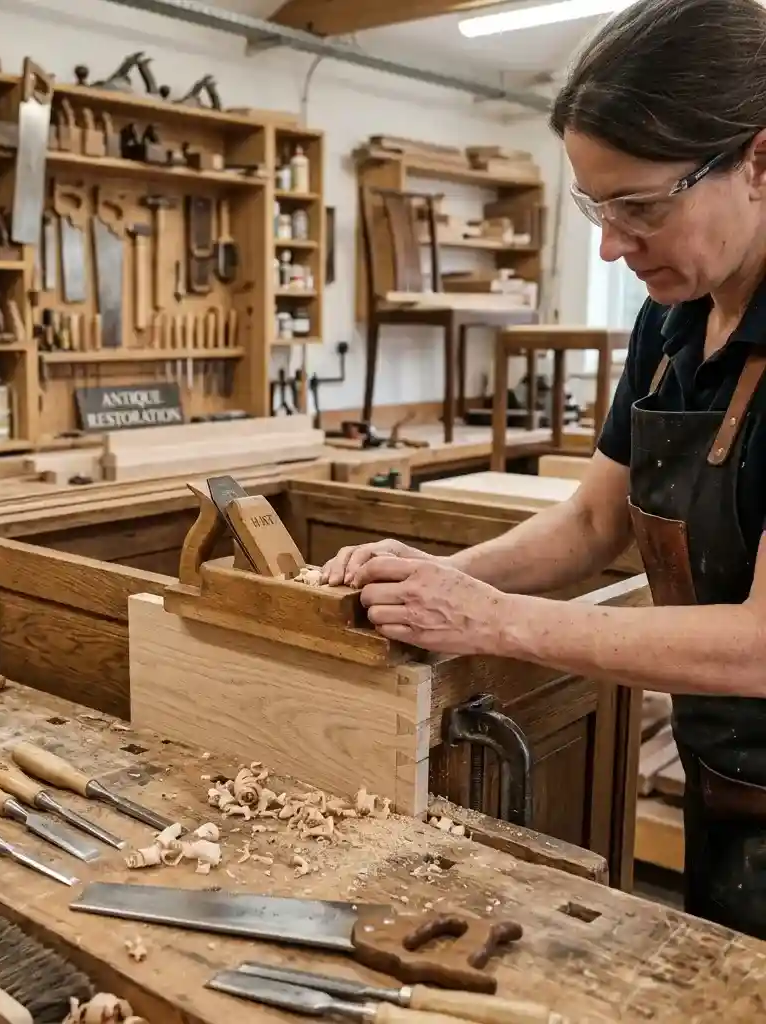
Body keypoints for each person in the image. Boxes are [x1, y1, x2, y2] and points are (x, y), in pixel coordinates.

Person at [322, 0, 766, 939]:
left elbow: (761, 644)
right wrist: (438, 577)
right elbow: (592, 526)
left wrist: (492, 622)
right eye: (595, 208)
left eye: (640, 207)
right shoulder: (672, 318)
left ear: (759, 160)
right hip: (730, 778)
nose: (610, 244)